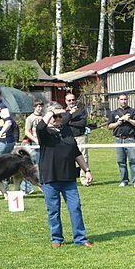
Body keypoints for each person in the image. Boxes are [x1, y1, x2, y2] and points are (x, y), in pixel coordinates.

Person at [36, 102, 94, 248]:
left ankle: (80, 238)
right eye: (55, 116)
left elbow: (76, 152)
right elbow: (39, 127)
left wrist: (87, 170)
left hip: (68, 177)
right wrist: (51, 112)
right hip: (50, 177)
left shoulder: (67, 130)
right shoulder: (44, 133)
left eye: (60, 116)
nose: (57, 119)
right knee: (54, 210)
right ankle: (56, 238)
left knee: (75, 207)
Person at [107, 94, 135, 187]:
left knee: (133, 160)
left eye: (125, 99)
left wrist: (129, 120)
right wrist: (118, 123)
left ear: (127, 100)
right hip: (118, 139)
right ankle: (124, 180)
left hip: (130, 138)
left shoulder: (132, 111)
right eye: (121, 99)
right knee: (121, 161)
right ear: (118, 100)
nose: (123, 101)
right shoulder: (114, 113)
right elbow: (109, 126)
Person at [62, 93, 90, 186]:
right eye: (69, 100)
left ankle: (84, 179)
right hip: (67, 138)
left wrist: (70, 122)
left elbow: (82, 123)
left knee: (83, 157)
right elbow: (63, 123)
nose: (72, 102)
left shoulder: (81, 111)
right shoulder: (63, 112)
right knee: (68, 158)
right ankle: (70, 178)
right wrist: (70, 114)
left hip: (80, 136)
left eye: (73, 100)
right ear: (66, 101)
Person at [20, 98, 44, 195]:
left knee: (42, 165)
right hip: (34, 144)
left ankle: (43, 184)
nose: (40, 109)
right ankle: (27, 187)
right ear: (34, 107)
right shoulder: (30, 118)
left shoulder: (44, 117)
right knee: (33, 166)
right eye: (38, 107)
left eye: (41, 106)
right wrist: (35, 140)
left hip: (43, 143)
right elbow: (27, 131)